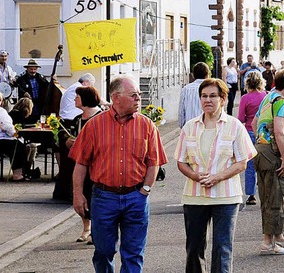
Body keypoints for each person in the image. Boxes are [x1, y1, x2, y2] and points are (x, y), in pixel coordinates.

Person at [70, 74, 168, 272]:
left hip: (136, 197)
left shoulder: (147, 125)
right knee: (103, 251)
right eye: (133, 95)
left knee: (133, 253)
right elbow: (80, 163)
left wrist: (146, 190)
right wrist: (78, 194)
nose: (138, 99)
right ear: (115, 98)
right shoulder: (94, 126)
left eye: (139, 95)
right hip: (104, 197)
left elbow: (153, 163)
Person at [175, 78, 256, 272]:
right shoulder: (190, 127)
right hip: (195, 196)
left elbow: (242, 162)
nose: (207, 100)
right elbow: (180, 161)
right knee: (194, 248)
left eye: (213, 96)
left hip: (226, 196)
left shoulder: (234, 126)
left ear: (223, 98)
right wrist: (195, 176)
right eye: (204, 96)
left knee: (222, 248)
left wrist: (217, 177)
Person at [252, 68, 284, 255]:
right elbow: (280, 131)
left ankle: (278, 237)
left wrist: (261, 139)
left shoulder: (268, 97)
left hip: (260, 150)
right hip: (272, 152)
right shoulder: (281, 102)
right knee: (276, 196)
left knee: (267, 196)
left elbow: (255, 123)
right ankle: (268, 243)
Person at [55, 86, 102, 242]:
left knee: (94, 196)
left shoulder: (100, 118)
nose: (74, 99)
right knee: (81, 194)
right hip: (80, 164)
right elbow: (71, 136)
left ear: (85, 99)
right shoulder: (77, 119)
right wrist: (69, 141)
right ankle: (86, 227)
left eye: (77, 97)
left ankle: (95, 229)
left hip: (96, 165)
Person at [238, 72, 267, 205]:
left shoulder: (245, 98)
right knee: (264, 164)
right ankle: (265, 192)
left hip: (249, 132)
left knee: (250, 166)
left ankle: (251, 195)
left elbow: (240, 119)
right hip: (264, 133)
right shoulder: (265, 95)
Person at [0, 93, 31, 181]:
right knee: (18, 146)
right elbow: (7, 127)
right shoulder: (1, 112)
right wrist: (15, 134)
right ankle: (18, 175)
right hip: (2, 139)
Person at [15, 59, 48, 124]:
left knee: (38, 120)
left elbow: (47, 86)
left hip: (38, 103)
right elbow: (18, 87)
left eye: (34, 69)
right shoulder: (21, 78)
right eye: (31, 69)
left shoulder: (40, 77)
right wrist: (24, 93)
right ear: (27, 69)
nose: (33, 71)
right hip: (27, 104)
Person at [180, 63, 211, 128]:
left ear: (193, 75)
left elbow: (181, 111)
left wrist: (182, 126)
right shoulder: (212, 88)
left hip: (190, 127)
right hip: (208, 126)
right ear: (207, 74)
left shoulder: (186, 89)